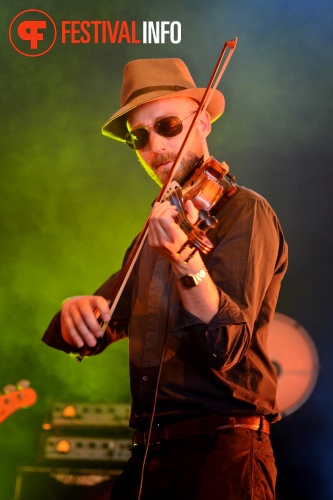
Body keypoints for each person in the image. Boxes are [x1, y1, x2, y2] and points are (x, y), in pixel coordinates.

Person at [42, 57, 288, 499]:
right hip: (149, 459)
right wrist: (74, 313)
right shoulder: (156, 228)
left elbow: (225, 344)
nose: (155, 146)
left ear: (203, 123)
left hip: (222, 454)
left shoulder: (244, 211)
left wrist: (186, 262)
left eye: (168, 125)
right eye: (140, 137)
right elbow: (101, 322)